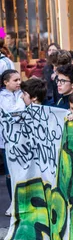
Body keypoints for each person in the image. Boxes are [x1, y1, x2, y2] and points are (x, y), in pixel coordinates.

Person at [0, 70, 25, 218]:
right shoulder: (2, 97)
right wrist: (22, 101)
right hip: (6, 141)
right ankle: (13, 202)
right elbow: (12, 113)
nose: (19, 83)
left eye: (19, 80)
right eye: (15, 80)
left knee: (21, 171)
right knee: (10, 174)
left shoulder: (21, 92)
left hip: (22, 139)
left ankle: (21, 201)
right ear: (5, 82)